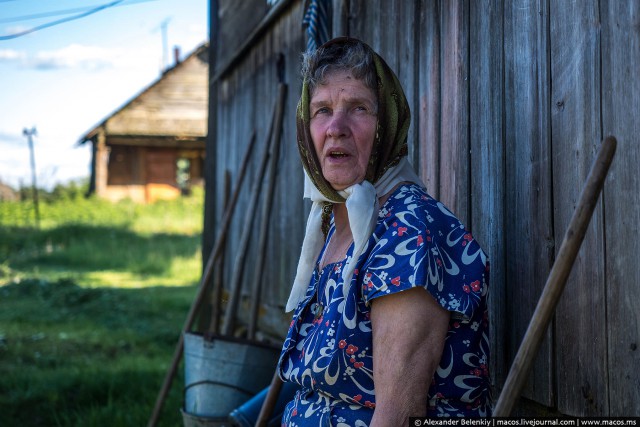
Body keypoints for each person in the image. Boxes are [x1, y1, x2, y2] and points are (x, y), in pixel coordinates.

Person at [277, 37, 491, 426]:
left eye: (358, 108)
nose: (336, 128)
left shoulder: (410, 231)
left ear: (388, 123)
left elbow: (398, 414)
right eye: (322, 110)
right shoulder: (337, 220)